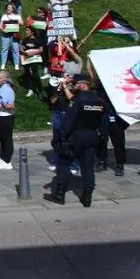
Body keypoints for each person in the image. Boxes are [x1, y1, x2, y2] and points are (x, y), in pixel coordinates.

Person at [43, 74, 106, 207]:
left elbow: (68, 121)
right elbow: (103, 120)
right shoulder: (99, 99)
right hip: (93, 136)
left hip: (76, 137)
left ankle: (59, 195)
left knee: (64, 164)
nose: (75, 86)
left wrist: (60, 138)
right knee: (88, 168)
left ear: (83, 84)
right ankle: (87, 197)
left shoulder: (77, 100)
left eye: (76, 84)